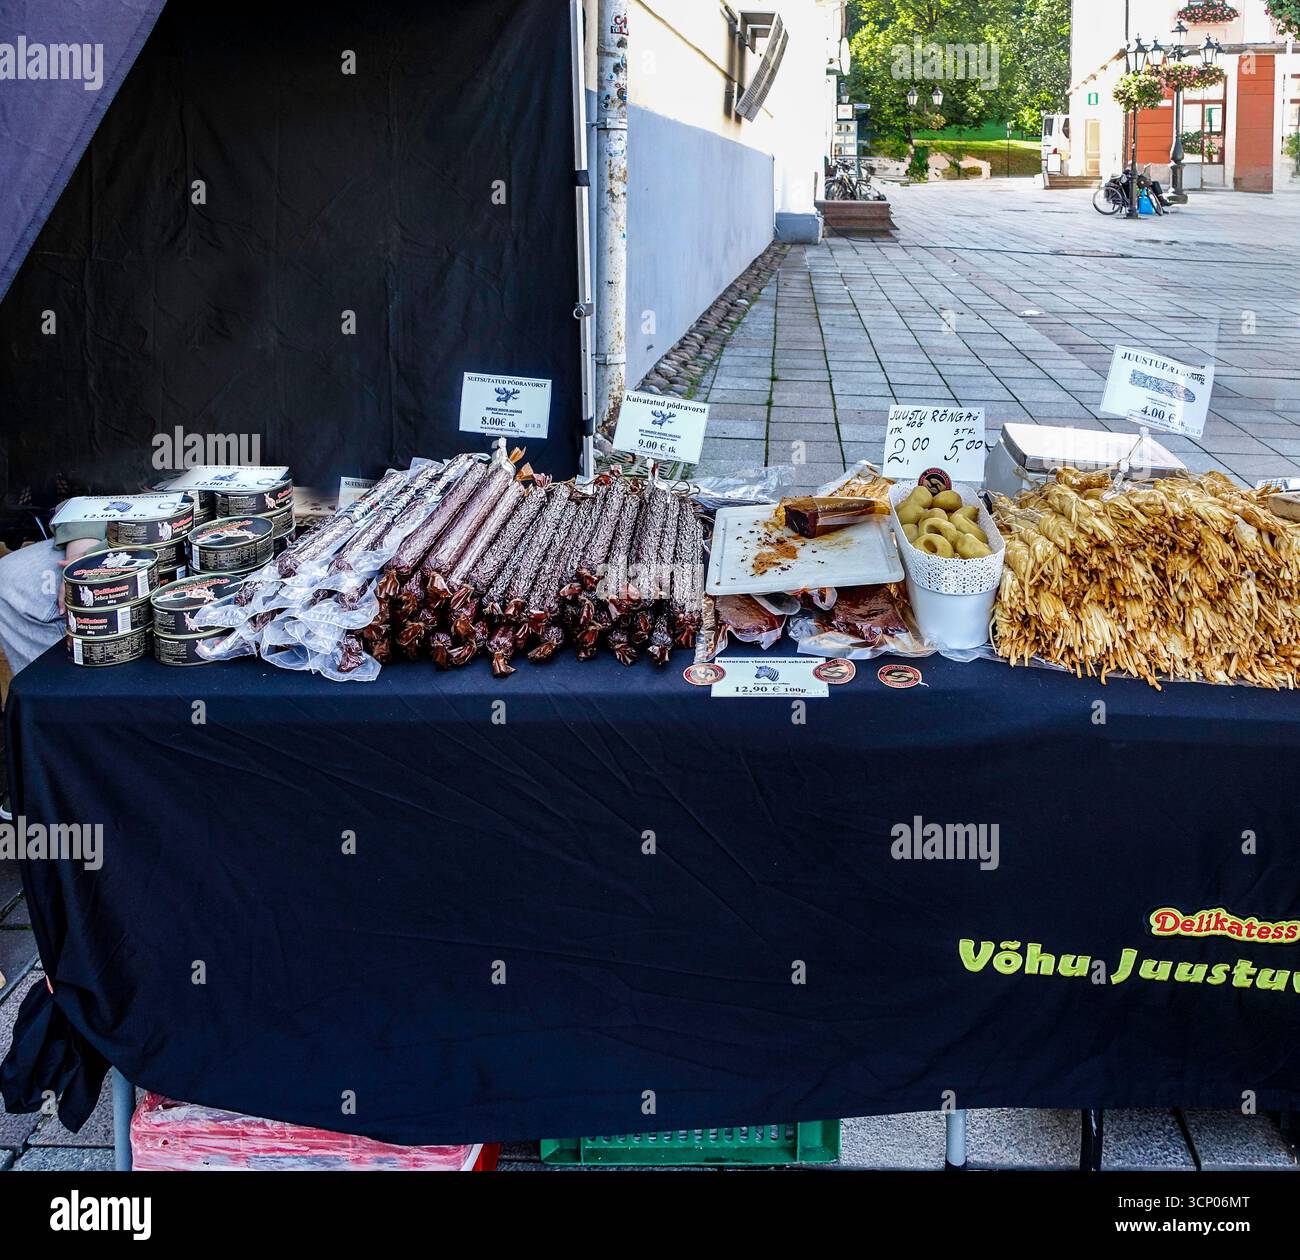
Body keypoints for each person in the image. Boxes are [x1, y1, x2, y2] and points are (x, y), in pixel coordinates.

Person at [0, 515, 109, 819]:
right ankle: (50, 764)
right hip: (125, 518)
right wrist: (82, 554)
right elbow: (90, 499)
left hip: (229, 517)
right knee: (12, 578)